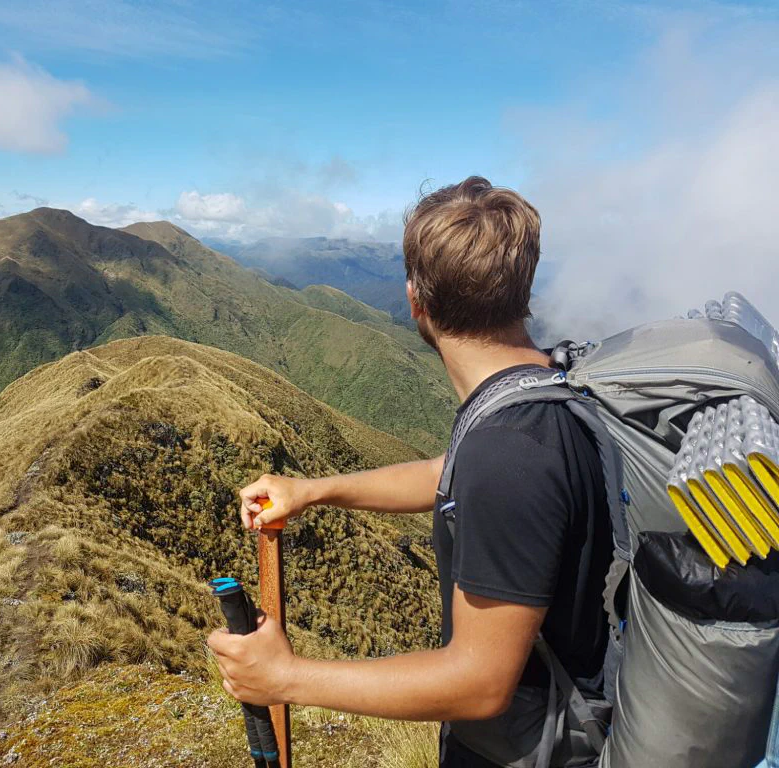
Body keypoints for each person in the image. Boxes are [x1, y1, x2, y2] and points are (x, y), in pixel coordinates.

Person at [207, 176, 614, 767]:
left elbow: (480, 683)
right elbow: (448, 475)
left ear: (415, 301)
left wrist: (285, 677)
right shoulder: (544, 388)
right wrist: (314, 491)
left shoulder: (510, 452)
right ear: (522, 289)